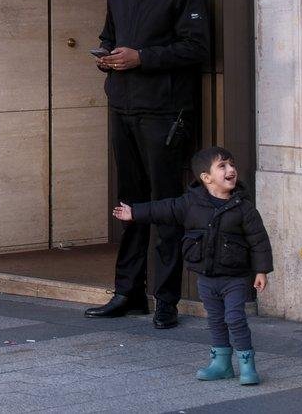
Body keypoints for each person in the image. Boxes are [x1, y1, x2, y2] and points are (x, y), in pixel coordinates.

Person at [84, 0, 209, 330]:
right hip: (122, 106)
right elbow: (109, 36)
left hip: (164, 111)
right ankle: (128, 292)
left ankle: (167, 299)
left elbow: (198, 48)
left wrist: (142, 57)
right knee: (130, 203)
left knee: (166, 203)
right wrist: (106, 58)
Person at [114, 146, 272, 387]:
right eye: (222, 166)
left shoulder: (244, 207)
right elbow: (163, 209)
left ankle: (247, 365)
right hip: (206, 277)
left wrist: (261, 271)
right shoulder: (191, 203)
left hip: (235, 277)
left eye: (232, 165)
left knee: (235, 318)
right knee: (216, 320)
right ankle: (221, 363)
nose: (231, 170)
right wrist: (134, 212)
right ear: (206, 178)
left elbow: (259, 240)